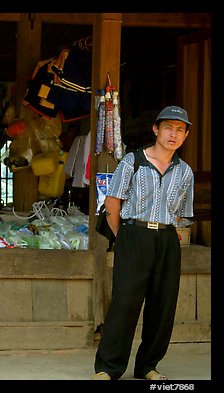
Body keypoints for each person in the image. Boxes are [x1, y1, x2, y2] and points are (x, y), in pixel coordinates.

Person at [92, 105, 194, 381]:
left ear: (185, 136)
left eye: (180, 130)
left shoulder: (185, 172)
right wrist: (123, 238)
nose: (174, 134)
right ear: (156, 130)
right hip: (133, 234)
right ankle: (108, 368)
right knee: (124, 302)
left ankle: (148, 366)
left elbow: (183, 215)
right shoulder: (132, 161)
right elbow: (112, 203)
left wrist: (172, 236)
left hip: (166, 238)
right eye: (168, 128)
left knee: (163, 305)